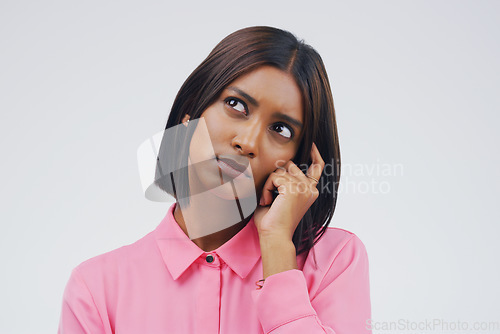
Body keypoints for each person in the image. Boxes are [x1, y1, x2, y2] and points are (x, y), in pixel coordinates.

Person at [57, 26, 372, 334]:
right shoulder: (97, 289)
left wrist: (277, 246)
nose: (247, 142)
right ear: (191, 114)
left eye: (280, 129)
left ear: (298, 162)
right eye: (236, 105)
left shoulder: (333, 261)